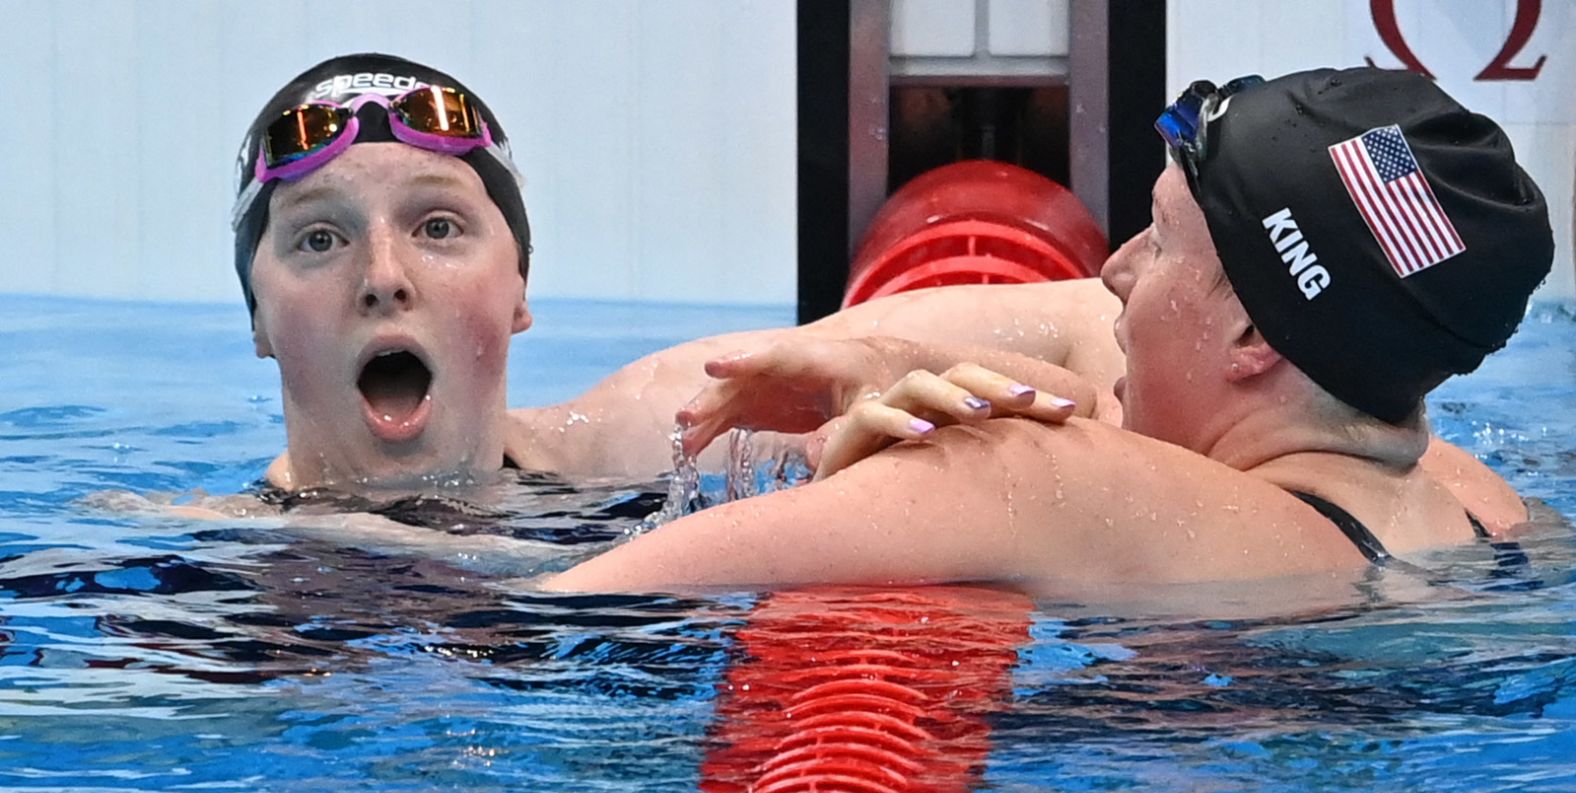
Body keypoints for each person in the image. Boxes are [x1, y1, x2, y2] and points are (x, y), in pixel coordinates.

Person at [541, 66, 1554, 593]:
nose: (1110, 272)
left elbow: (567, 606)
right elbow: (1121, 429)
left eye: (1156, 244)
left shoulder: (1034, 483)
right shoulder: (1476, 504)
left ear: (1252, 334)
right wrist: (895, 363)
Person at [230, 53, 1110, 494]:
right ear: (260, 319)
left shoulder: (674, 428)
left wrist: (886, 364)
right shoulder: (197, 588)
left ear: (520, 291)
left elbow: (1096, 322)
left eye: (438, 226)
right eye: (318, 240)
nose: (384, 275)